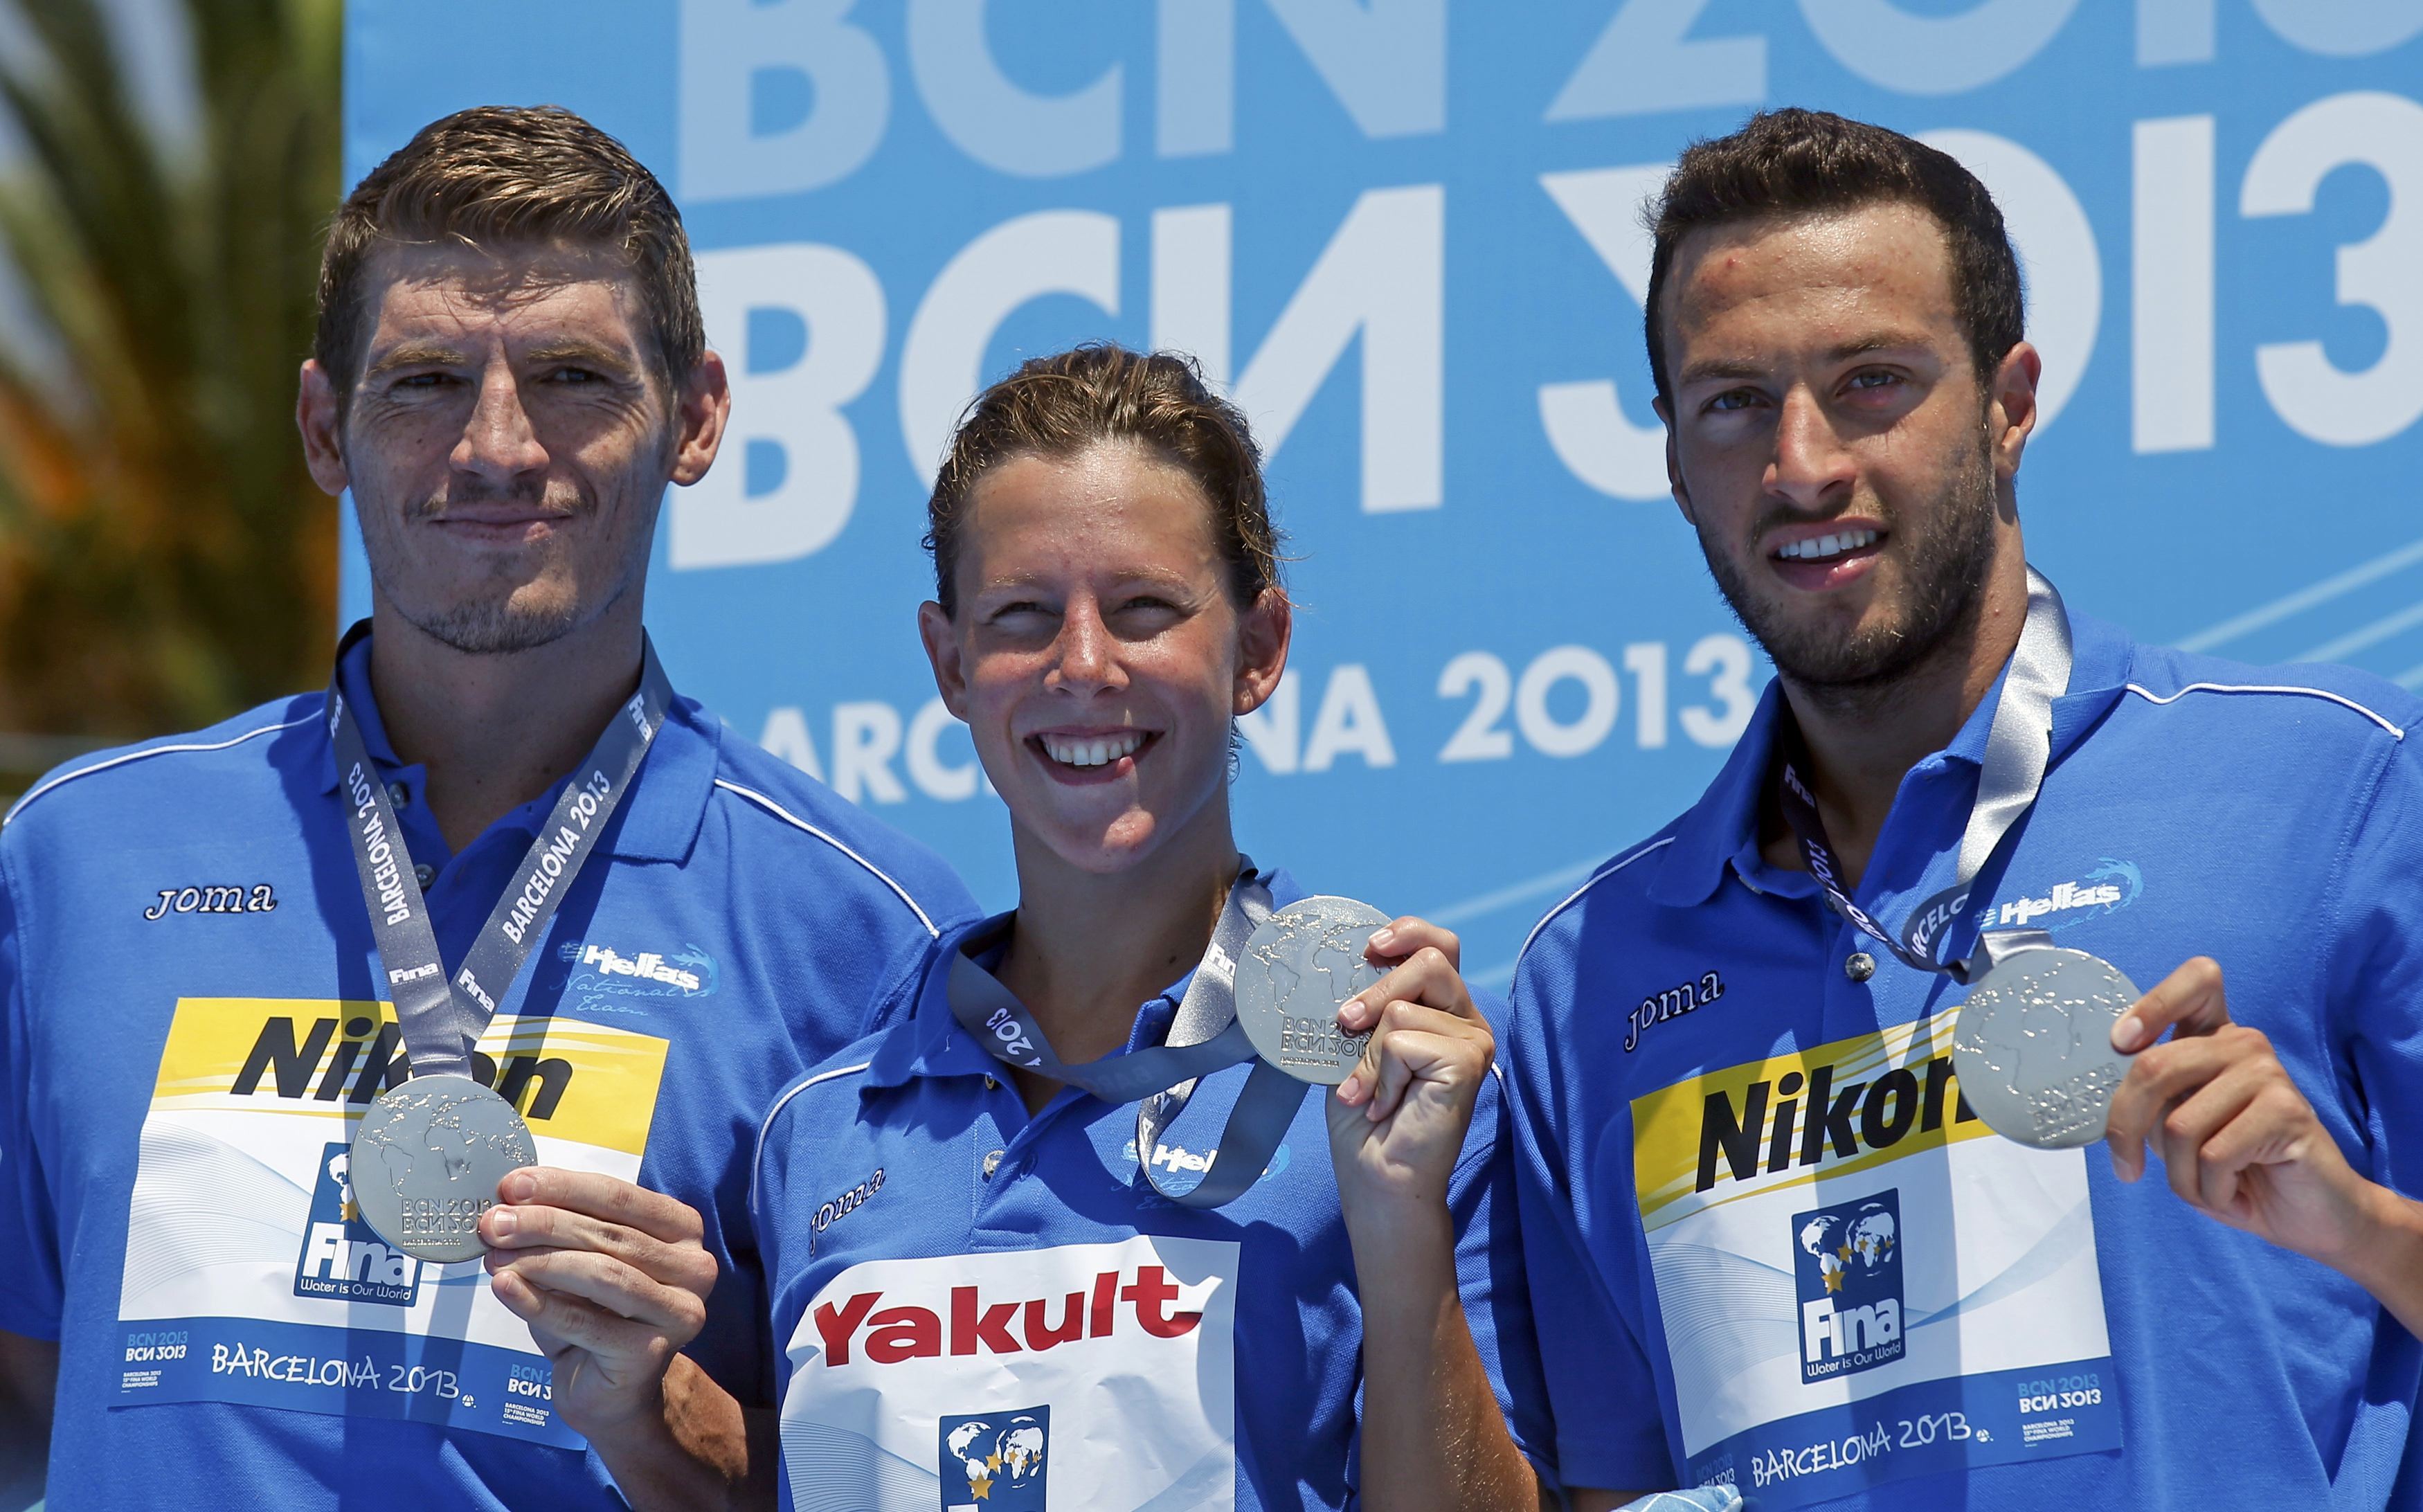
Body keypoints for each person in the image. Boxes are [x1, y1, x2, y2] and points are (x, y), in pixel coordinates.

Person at [0, 105, 977, 1509]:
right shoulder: (76, 861)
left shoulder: (868, 939)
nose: (497, 446)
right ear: (325, 428)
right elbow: (36, 1380)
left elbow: (925, 1476)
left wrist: (670, 1410)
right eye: (425, 381)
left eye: (573, 376)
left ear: (696, 416)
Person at [1506, 108, 2423, 1510]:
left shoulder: (2336, 784)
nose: (1801, 465)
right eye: (1733, 401)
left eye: (1870, 382)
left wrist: (2353, 1224)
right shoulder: (1591, 977)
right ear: (1673, 457)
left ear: (2010, 404)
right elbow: (1613, 1489)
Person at [731, 342, 1551, 1509]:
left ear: (1258, 649)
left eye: (1145, 609)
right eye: (1023, 615)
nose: (1083, 666)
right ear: (950, 662)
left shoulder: (1391, 1067)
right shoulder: (816, 1128)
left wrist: (1400, 1229)